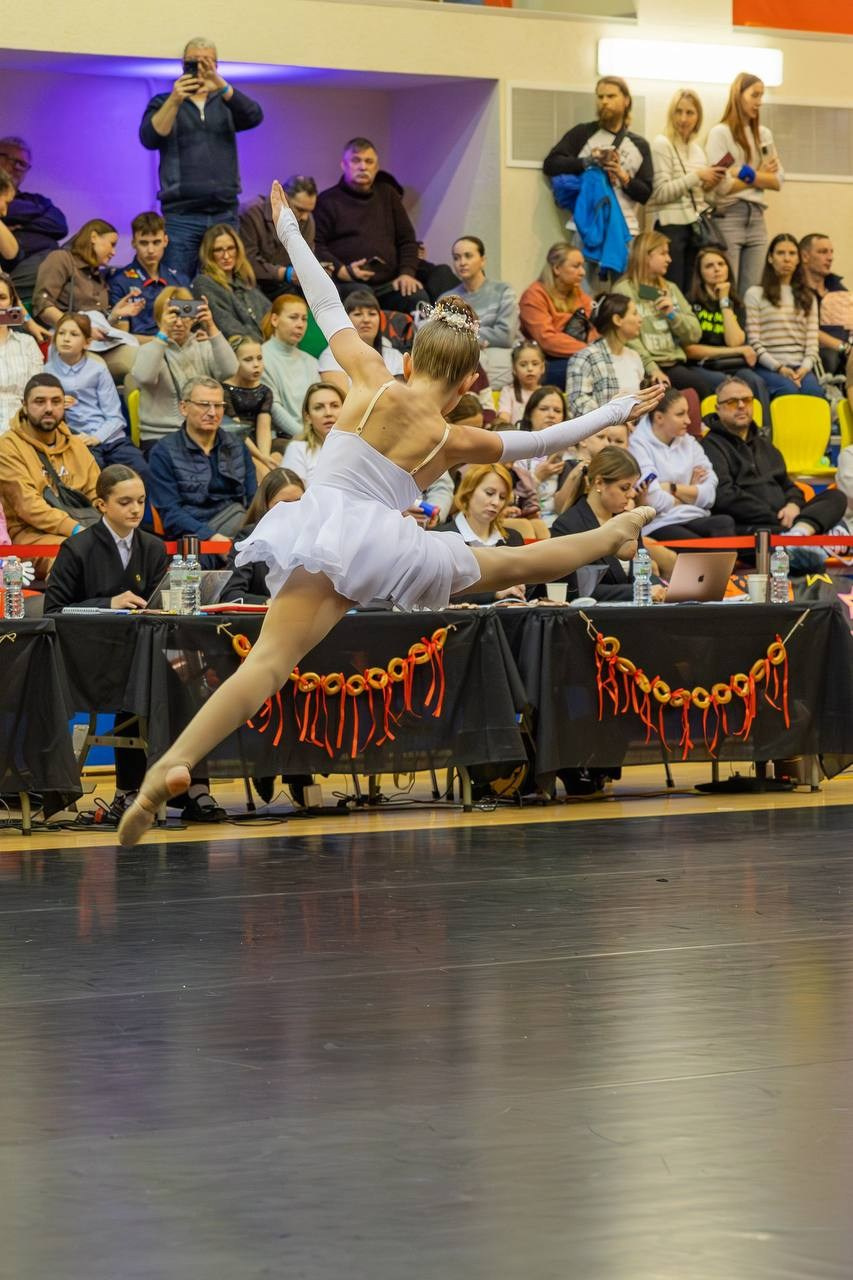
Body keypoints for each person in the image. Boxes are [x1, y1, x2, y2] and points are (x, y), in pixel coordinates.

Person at [117, 178, 660, 845]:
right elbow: (546, 439)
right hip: (381, 544)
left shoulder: (370, 374)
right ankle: (613, 532)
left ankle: (172, 763)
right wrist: (617, 409)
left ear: (416, 352)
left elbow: (322, 297)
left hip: (323, 525)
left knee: (267, 663)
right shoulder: (452, 436)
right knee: (515, 564)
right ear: (467, 381)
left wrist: (288, 230)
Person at [139, 37, 263, 279]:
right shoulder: (163, 102)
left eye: (206, 61)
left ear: (216, 64)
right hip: (181, 215)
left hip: (224, 210)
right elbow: (150, 138)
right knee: (178, 281)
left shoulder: (225, 104)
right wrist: (175, 99)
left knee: (225, 281)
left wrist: (219, 83)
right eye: (193, 61)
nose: (200, 67)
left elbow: (254, 116)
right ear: (182, 65)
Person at [701, 375, 846, 566]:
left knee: (836, 497)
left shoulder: (765, 445)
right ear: (718, 408)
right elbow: (724, 496)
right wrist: (776, 515)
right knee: (830, 530)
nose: (741, 406)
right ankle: (808, 539)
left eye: (747, 400)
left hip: (787, 521)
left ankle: (798, 536)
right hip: (753, 526)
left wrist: (793, 505)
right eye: (732, 402)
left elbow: (789, 485)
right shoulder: (710, 446)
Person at [543, 77, 653, 288]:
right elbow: (551, 164)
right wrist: (588, 162)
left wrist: (622, 176)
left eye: (611, 96)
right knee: (580, 290)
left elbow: (646, 193)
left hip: (625, 228)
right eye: (600, 97)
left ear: (626, 101)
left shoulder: (639, 145)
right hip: (586, 224)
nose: (604, 102)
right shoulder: (583, 133)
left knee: (624, 292)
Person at [613, 231, 735, 400]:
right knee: (693, 390)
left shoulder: (671, 288)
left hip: (674, 362)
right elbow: (628, 339)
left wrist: (672, 315)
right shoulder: (624, 290)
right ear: (646, 255)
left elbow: (695, 334)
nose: (669, 259)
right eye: (663, 253)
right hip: (642, 365)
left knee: (706, 388)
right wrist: (652, 368)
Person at [314, 137, 429, 314]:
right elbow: (316, 245)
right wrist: (341, 270)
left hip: (389, 283)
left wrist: (406, 273)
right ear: (344, 165)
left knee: (418, 297)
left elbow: (407, 241)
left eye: (369, 162)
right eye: (356, 160)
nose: (363, 167)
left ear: (376, 167)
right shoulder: (327, 200)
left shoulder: (388, 195)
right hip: (348, 282)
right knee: (364, 297)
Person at [0, 373, 99, 564]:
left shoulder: (76, 445)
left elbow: (97, 494)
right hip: (29, 535)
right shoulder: (7, 447)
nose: (48, 409)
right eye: (39, 401)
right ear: (24, 405)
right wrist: (76, 530)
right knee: (77, 556)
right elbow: (29, 507)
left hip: (83, 528)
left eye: (56, 401)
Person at [32, 219, 145, 382]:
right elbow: (43, 305)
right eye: (112, 244)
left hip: (98, 343)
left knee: (144, 362)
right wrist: (81, 329)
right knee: (97, 368)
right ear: (93, 237)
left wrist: (114, 315)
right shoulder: (61, 258)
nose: (114, 252)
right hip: (68, 340)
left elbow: (97, 325)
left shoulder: (98, 276)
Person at [148, 374, 257, 542]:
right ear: (184, 408)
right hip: (192, 535)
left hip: (237, 525)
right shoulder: (163, 452)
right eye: (204, 405)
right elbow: (169, 512)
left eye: (218, 406)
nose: (212, 413)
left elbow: (254, 499)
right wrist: (210, 536)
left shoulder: (236, 445)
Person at [551, 446, 666, 602]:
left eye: (633, 487)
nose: (631, 494)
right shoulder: (568, 526)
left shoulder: (630, 522)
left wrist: (659, 587)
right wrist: (638, 591)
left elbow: (642, 574)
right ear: (599, 483)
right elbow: (578, 590)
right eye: (624, 488)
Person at [44, 312, 150, 477]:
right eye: (61, 333)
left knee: (141, 470)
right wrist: (56, 404)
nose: (66, 339)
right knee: (93, 474)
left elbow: (115, 417)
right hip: (75, 440)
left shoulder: (97, 369)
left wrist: (97, 437)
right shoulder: (47, 372)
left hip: (111, 438)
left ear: (87, 342)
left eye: (74, 334)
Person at [706, 73, 783, 294]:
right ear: (738, 95)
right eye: (754, 95)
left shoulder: (763, 134)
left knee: (752, 292)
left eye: (761, 96)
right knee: (726, 288)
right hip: (729, 216)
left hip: (757, 217)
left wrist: (742, 173)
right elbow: (722, 186)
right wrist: (760, 176)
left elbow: (777, 180)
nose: (759, 102)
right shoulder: (720, 133)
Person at [131, 286, 237, 445]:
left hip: (203, 433)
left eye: (185, 315)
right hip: (161, 436)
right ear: (159, 319)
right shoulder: (148, 350)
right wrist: (163, 333)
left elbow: (230, 369)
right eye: (172, 316)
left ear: (194, 318)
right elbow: (144, 377)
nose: (179, 323)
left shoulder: (204, 346)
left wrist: (211, 327)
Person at [628, 387, 735, 543]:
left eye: (687, 413)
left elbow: (710, 494)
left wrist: (673, 488)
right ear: (659, 417)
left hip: (693, 515)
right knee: (702, 546)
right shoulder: (637, 445)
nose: (688, 421)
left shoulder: (689, 441)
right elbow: (652, 499)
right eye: (680, 414)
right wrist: (690, 492)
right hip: (659, 523)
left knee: (725, 523)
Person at [649, 89, 725, 293]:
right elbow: (660, 193)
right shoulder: (662, 144)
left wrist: (711, 184)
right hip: (670, 228)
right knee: (672, 290)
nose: (683, 119)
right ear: (671, 114)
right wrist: (698, 175)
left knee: (692, 291)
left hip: (695, 228)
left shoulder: (697, 150)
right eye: (678, 111)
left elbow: (701, 197)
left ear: (698, 117)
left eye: (690, 113)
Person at [685, 245, 770, 420]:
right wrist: (738, 350)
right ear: (700, 273)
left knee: (756, 382)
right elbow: (691, 350)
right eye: (709, 266)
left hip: (733, 365)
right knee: (725, 386)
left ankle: (763, 432)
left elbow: (734, 341)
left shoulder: (736, 303)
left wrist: (724, 301)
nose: (716, 269)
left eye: (721, 264)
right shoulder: (691, 302)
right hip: (702, 365)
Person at [433, 463, 528, 605]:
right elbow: (439, 591)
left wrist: (522, 588)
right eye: (489, 493)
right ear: (469, 492)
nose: (496, 502)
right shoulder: (441, 536)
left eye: (502, 497)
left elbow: (531, 592)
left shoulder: (513, 539)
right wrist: (495, 593)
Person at [744, 234, 824, 400]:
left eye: (792, 253)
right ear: (770, 258)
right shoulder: (755, 294)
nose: (787, 259)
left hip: (801, 367)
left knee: (815, 393)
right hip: (768, 366)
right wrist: (779, 367)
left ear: (798, 259)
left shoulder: (809, 296)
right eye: (780, 253)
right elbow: (754, 342)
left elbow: (812, 344)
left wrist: (804, 368)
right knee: (788, 390)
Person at [439, 237, 517, 388]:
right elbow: (443, 337)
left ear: (483, 260)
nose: (462, 262)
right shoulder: (447, 299)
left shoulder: (503, 291)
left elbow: (505, 335)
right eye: (456, 258)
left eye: (468, 256)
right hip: (460, 362)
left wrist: (464, 334)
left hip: (497, 361)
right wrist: (480, 337)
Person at [220, 469, 305, 604]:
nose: (292, 510)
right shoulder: (249, 538)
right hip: (264, 615)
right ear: (266, 506)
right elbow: (231, 595)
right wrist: (268, 603)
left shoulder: (315, 538)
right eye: (283, 504)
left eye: (298, 502)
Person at [519, 244, 596, 386]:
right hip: (545, 361)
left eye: (582, 266)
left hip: (579, 353)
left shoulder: (577, 293)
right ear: (556, 268)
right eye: (576, 266)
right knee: (589, 367)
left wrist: (596, 348)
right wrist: (589, 350)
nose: (582, 272)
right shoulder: (533, 296)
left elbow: (594, 325)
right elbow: (547, 340)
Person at [0, 136, 68, 298]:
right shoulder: (38, 206)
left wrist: (20, 225)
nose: (14, 166)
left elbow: (60, 226)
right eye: (5, 157)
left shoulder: (36, 200)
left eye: (21, 163)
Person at [108, 211, 189, 337]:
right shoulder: (119, 281)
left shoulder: (179, 280)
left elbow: (187, 326)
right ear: (133, 243)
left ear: (165, 241)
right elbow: (123, 338)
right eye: (144, 243)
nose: (151, 250)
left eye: (156, 242)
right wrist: (162, 340)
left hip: (175, 345)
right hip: (140, 347)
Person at [240, 175, 319, 302]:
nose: (305, 217)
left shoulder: (307, 220)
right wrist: (286, 273)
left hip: (287, 284)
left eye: (309, 211)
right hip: (255, 283)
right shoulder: (251, 214)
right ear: (283, 198)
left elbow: (306, 257)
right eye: (300, 209)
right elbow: (248, 261)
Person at [565, 293, 644, 416]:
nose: (640, 319)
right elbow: (577, 404)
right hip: (604, 427)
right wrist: (614, 421)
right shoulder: (585, 358)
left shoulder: (634, 356)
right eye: (634, 313)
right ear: (617, 320)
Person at [799, 233, 853, 409]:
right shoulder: (797, 290)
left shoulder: (836, 286)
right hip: (822, 351)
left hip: (847, 346)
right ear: (805, 256)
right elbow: (804, 328)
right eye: (823, 252)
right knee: (832, 357)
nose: (830, 257)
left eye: (831, 252)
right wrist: (845, 348)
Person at [318, 289, 404, 394]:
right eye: (358, 314)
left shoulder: (394, 356)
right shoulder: (331, 355)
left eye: (372, 314)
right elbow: (340, 398)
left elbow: (404, 395)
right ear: (345, 320)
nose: (366, 320)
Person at [191, 224, 268, 342]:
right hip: (236, 347)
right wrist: (264, 345)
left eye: (231, 248)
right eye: (218, 250)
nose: (226, 256)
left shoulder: (245, 280)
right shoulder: (204, 283)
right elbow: (228, 327)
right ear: (209, 254)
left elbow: (271, 314)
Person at [260, 294, 320, 438]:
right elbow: (274, 408)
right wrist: (306, 438)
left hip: (313, 437)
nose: (300, 324)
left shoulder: (311, 361)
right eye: (293, 317)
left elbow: (318, 403)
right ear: (275, 320)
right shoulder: (260, 357)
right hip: (281, 438)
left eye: (304, 319)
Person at [221, 334, 276, 476]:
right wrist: (261, 458)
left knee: (276, 460)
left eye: (259, 358)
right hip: (235, 442)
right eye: (248, 360)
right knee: (260, 469)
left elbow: (264, 428)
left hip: (258, 442)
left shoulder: (265, 391)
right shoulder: (224, 390)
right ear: (233, 361)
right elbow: (237, 430)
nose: (256, 364)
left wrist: (265, 456)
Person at [0, 271, 43, 432]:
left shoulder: (27, 344)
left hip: (21, 429)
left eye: (2, 297)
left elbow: (37, 393)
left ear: (11, 303)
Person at [281, 381, 345, 486]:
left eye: (334, 405)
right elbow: (292, 493)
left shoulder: (358, 448)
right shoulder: (297, 449)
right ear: (308, 417)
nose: (328, 413)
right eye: (318, 407)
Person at [496, 341, 546, 425]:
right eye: (523, 365)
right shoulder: (508, 392)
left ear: (542, 367)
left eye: (535, 364)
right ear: (514, 369)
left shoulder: (547, 394)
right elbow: (504, 419)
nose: (530, 369)